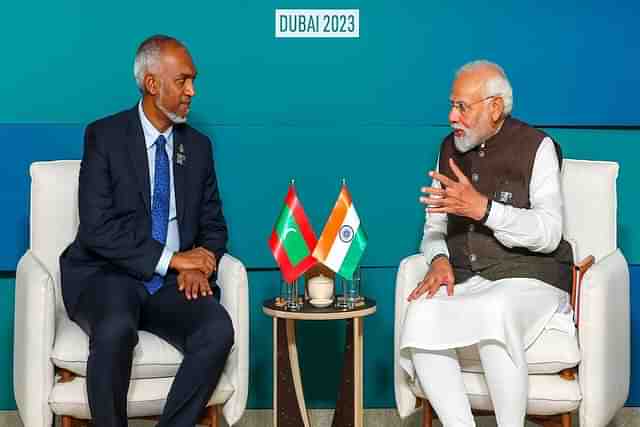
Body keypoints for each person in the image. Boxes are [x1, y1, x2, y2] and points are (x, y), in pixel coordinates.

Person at [59, 35, 234, 427]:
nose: (193, 91)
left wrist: (198, 265)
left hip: (172, 283)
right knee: (115, 329)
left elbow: (214, 226)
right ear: (152, 84)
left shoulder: (199, 147)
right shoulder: (104, 136)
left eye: (193, 81)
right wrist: (173, 258)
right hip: (109, 274)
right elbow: (96, 228)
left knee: (217, 329)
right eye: (183, 81)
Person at [399, 60, 574, 427]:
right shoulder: (448, 148)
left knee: (496, 309)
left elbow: (548, 233)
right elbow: (434, 226)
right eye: (452, 104)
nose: (451, 116)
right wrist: (437, 259)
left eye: (462, 106)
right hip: (469, 277)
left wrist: (484, 209)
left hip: (532, 277)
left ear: (495, 107)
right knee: (422, 314)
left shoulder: (537, 146)